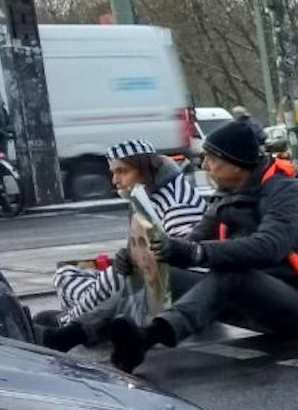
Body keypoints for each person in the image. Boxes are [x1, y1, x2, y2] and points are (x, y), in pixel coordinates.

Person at [93, 119, 298, 372]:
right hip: (253, 302)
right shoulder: (226, 194)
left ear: (236, 164)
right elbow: (192, 242)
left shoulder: (287, 193)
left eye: (212, 159)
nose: (204, 166)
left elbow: (269, 247)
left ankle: (147, 338)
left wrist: (196, 253)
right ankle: (77, 331)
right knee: (159, 270)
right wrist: (144, 254)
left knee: (232, 274)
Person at [40, 140, 207, 348]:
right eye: (113, 173)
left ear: (145, 168)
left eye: (122, 171)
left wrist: (133, 259)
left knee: (117, 276)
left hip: (171, 291)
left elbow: (180, 258)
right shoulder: (151, 194)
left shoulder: (178, 204)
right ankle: (89, 321)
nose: (115, 181)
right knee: (67, 274)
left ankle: (70, 323)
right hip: (150, 284)